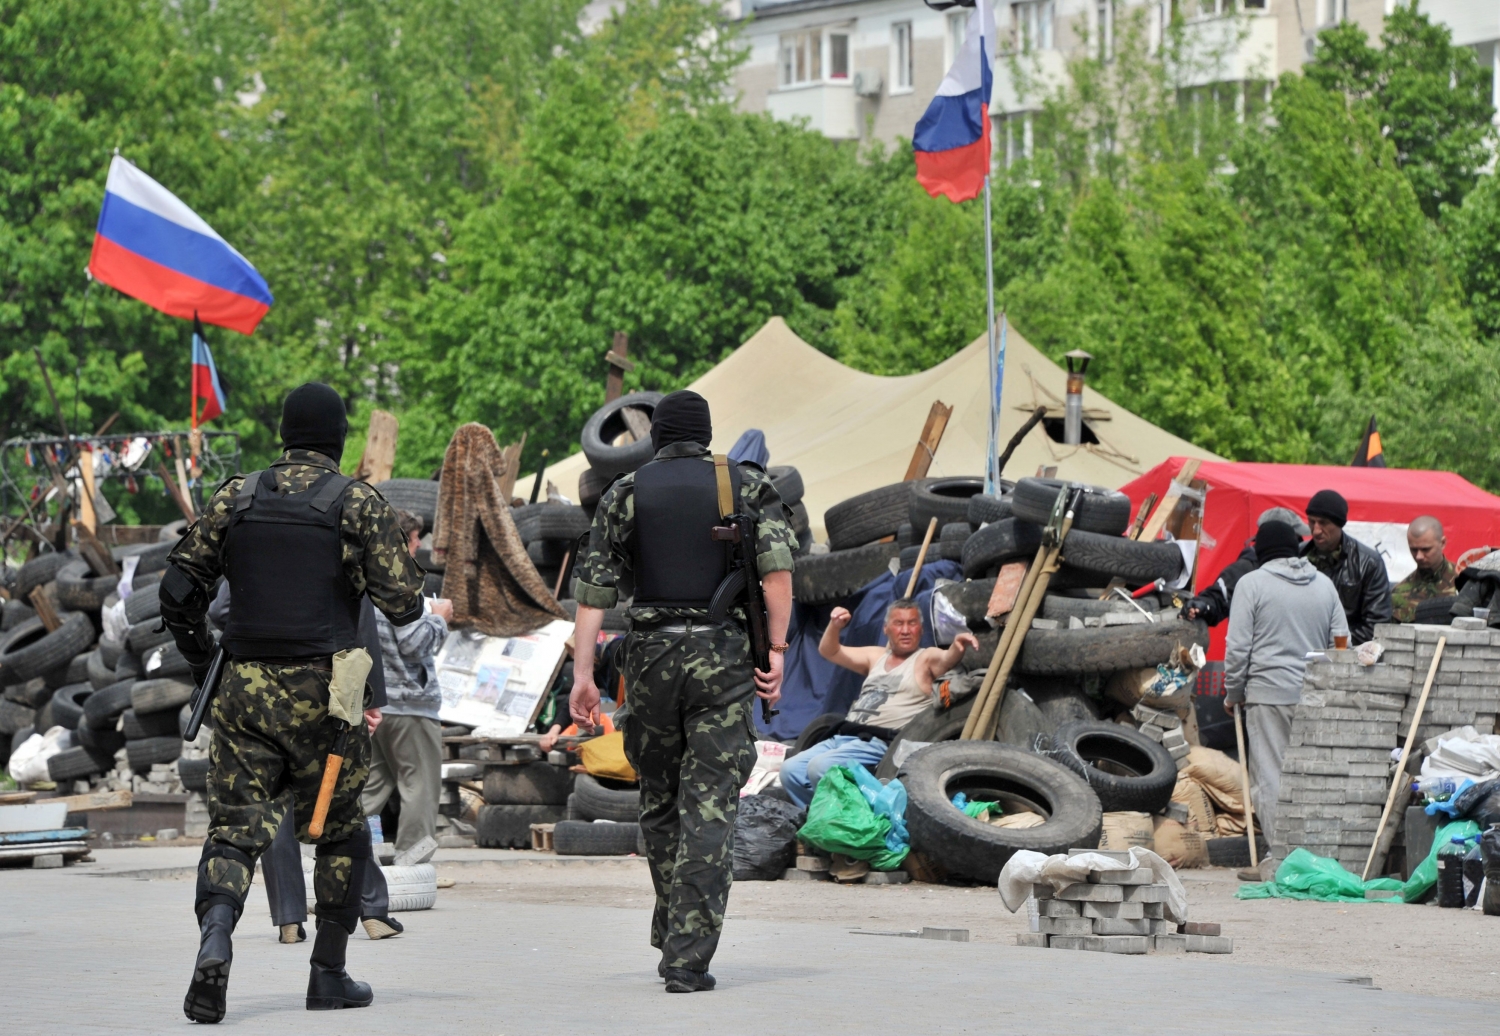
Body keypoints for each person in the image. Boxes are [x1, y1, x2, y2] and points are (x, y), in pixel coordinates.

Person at [159, 382, 426, 1023]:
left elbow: (175, 588)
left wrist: (205, 661)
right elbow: (405, 605)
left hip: (244, 689)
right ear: (337, 438)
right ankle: (328, 974)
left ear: (283, 434)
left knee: (234, 830)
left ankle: (217, 937)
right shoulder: (357, 502)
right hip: (328, 699)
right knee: (338, 834)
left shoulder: (237, 495)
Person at [568, 389, 795, 995]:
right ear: (707, 432)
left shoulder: (626, 491)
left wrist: (584, 677)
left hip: (649, 660)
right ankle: (688, 955)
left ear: (657, 435)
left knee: (661, 801)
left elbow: (592, 595)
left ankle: (675, 929)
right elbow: (777, 575)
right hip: (722, 658)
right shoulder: (743, 484)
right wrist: (774, 652)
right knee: (711, 806)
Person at [207, 583, 405, 945]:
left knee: (272, 801)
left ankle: (289, 920)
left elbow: (220, 611)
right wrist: (370, 693)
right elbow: (364, 617)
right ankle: (372, 910)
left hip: (258, 688)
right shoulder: (340, 531)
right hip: (327, 684)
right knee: (341, 803)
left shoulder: (252, 530)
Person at [1223, 520, 1348, 861]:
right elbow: (1342, 643)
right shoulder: (1324, 585)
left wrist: (1234, 692)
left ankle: (1282, 857)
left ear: (1260, 551)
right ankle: (1311, 854)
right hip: (1315, 696)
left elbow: (1237, 648)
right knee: (1308, 777)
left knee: (1270, 776)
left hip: (1268, 694)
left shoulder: (1252, 584)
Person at [782, 600, 979, 808]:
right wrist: (834, 625)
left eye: (912, 623)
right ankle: (823, 821)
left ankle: (855, 826)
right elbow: (830, 651)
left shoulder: (925, 658)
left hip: (880, 742)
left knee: (820, 767)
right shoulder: (875, 656)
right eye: (898, 623)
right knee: (790, 771)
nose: (905, 630)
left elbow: (946, 659)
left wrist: (957, 647)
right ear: (886, 629)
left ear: (921, 629)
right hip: (845, 736)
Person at [362, 507, 452, 882]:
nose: (420, 546)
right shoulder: (403, 582)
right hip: (411, 703)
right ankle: (412, 867)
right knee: (419, 783)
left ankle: (345, 854)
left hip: (376, 703)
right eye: (416, 539)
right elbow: (414, 641)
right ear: (404, 541)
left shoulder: (366, 578)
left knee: (373, 785)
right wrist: (440, 617)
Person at [1183, 508, 1309, 625]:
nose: (1300, 544)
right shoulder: (1246, 568)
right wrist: (1203, 605)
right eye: (1297, 539)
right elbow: (1218, 597)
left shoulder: (1307, 571)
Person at [1300, 489, 1392, 645]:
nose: (1316, 530)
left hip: (1347, 656)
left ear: (1339, 524)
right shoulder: (1297, 557)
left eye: (1323, 523)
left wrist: (1331, 642)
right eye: (1311, 521)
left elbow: (1377, 626)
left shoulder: (1369, 563)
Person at [1390, 516, 1458, 623]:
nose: (1419, 556)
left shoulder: (1465, 584)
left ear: (1442, 543)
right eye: (1413, 549)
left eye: (1426, 549)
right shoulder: (1398, 593)